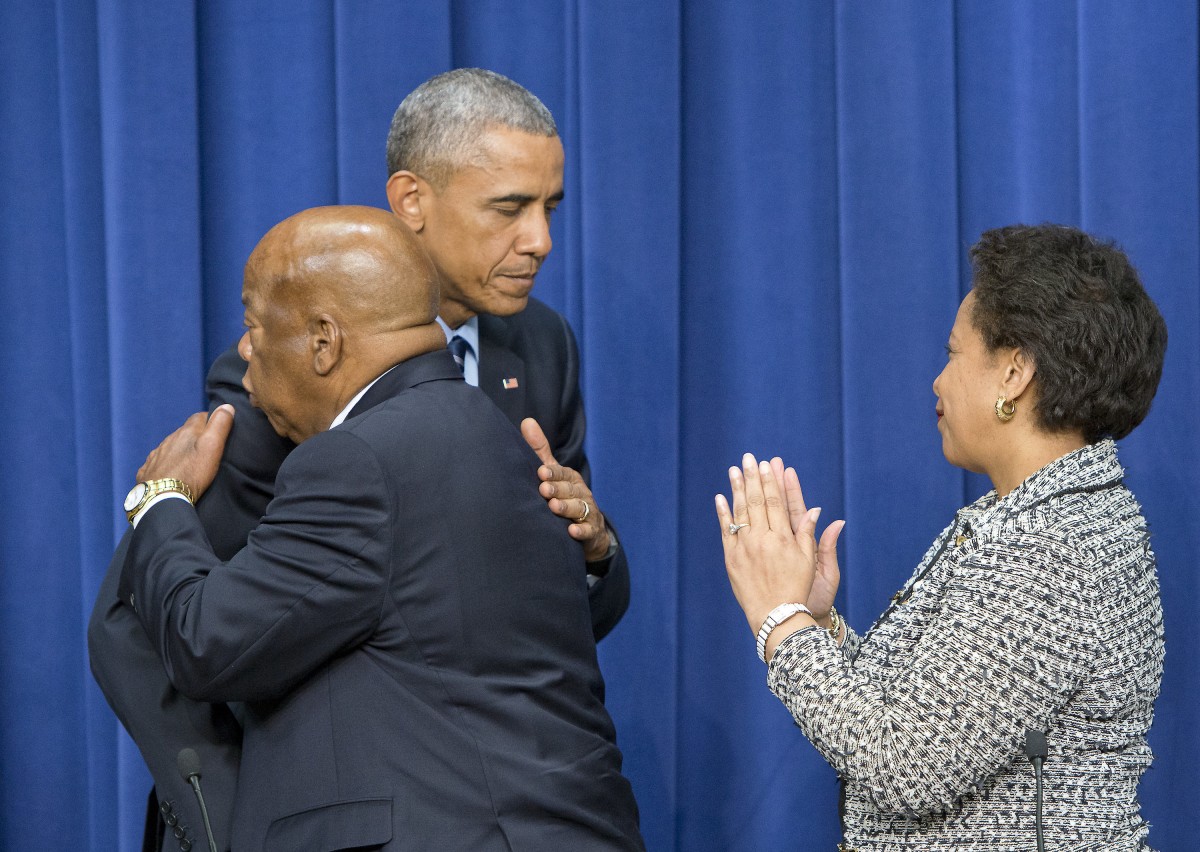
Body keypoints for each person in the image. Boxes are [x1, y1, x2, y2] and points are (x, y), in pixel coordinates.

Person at [89, 68, 629, 851]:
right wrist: (239, 821)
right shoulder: (282, 376)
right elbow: (152, 629)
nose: (540, 240)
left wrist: (594, 548)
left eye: (550, 208)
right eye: (510, 208)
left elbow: (533, 623)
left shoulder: (540, 349)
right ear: (412, 200)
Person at [715, 224, 1166, 849]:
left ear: (1015, 373)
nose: (938, 381)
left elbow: (907, 764)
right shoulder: (1043, 521)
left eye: (954, 353)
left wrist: (780, 622)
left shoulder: (1055, 550)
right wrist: (819, 626)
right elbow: (913, 716)